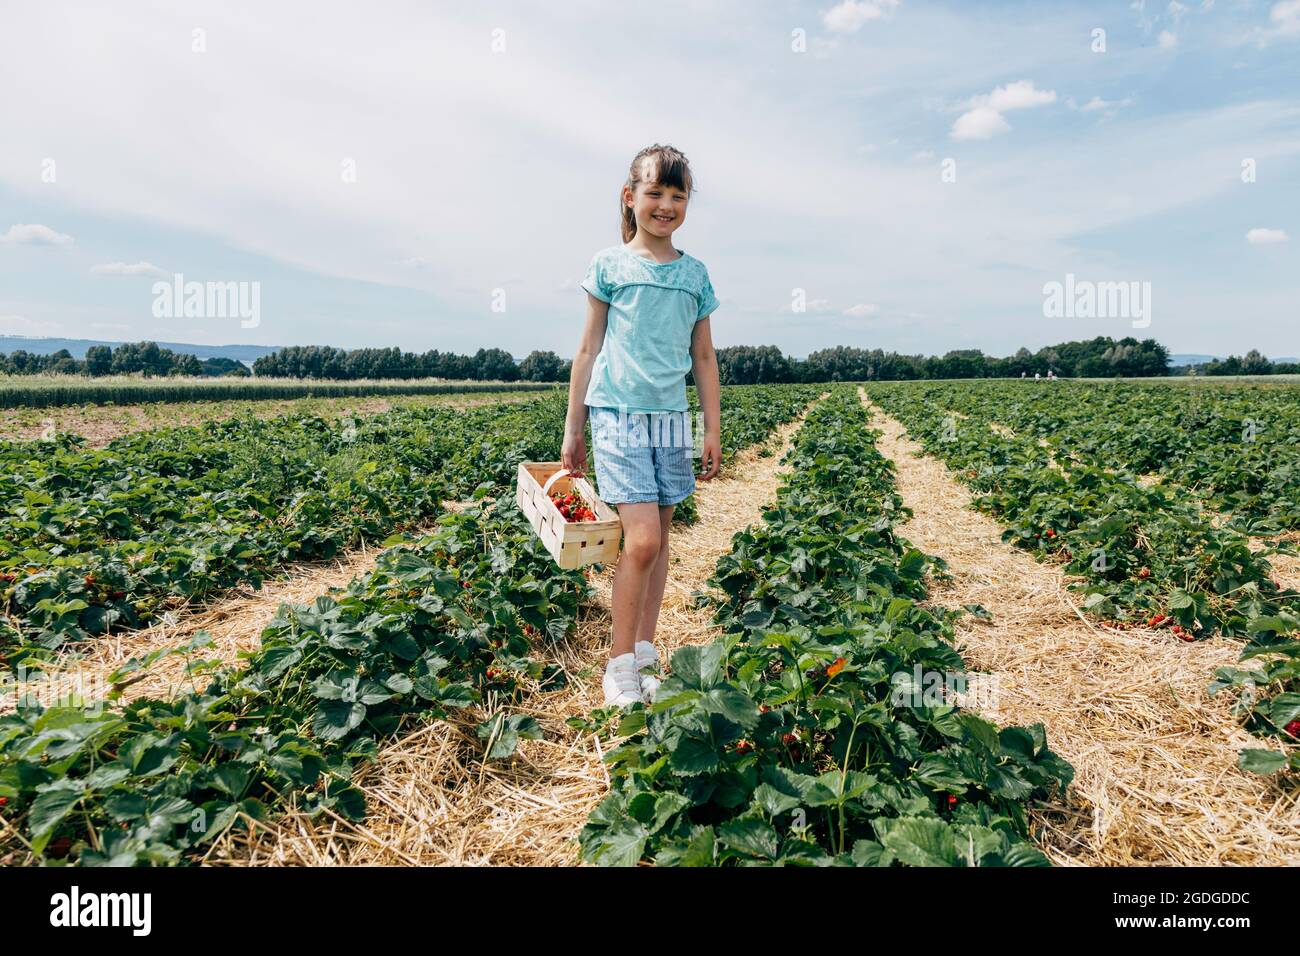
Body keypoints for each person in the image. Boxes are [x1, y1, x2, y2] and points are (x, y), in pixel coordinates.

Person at [562, 144, 722, 707]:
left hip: (672, 419)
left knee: (663, 539)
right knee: (644, 540)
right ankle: (619, 663)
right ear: (630, 198)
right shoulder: (609, 265)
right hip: (619, 416)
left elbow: (703, 358)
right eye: (655, 193)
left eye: (678, 196)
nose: (666, 205)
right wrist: (573, 427)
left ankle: (647, 651)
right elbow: (587, 349)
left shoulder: (694, 274)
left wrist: (710, 427)